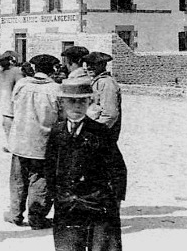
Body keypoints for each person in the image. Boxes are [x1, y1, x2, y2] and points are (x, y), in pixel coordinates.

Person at [45, 76, 127, 251]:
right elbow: (50, 167)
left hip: (98, 205)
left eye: (82, 102)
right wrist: (57, 195)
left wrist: (114, 200)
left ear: (90, 102)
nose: (76, 106)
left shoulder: (101, 133)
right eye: (71, 101)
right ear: (62, 103)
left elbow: (118, 168)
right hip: (68, 205)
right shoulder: (57, 132)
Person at [5, 54, 62, 230]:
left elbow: (10, 112)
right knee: (40, 179)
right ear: (53, 69)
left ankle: (15, 214)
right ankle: (37, 217)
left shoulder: (21, 85)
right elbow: (62, 117)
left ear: (35, 69)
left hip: (20, 141)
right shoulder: (56, 89)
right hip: (43, 143)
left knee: (18, 179)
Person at [83, 52, 122, 143]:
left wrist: (95, 132)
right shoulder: (97, 81)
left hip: (102, 135)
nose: (89, 67)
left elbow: (110, 114)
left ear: (103, 65)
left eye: (93, 64)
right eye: (88, 64)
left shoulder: (106, 83)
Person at [0, 51, 23, 146]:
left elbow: (20, 85)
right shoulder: (0, 71)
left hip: (14, 102)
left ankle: (14, 145)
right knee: (6, 124)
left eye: (3, 61)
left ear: (8, 61)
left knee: (13, 124)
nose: (1, 63)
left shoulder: (16, 71)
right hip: (5, 102)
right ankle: (10, 144)